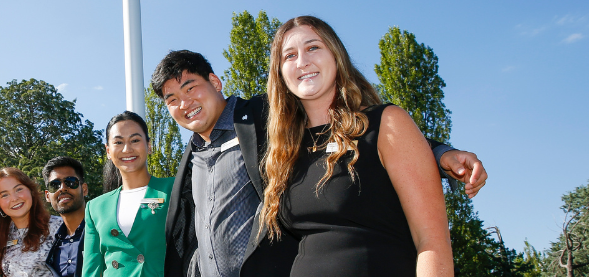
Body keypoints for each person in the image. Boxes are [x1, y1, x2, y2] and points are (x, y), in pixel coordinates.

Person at [150, 49, 488, 276]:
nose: (185, 103)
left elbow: (349, 127)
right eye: (172, 100)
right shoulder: (190, 160)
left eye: (190, 86)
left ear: (214, 82)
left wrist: (439, 152)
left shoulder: (265, 117)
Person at [261, 15, 453, 275]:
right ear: (280, 73)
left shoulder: (386, 123)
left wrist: (444, 154)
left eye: (313, 47)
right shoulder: (284, 151)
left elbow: (432, 241)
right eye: (289, 56)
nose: (302, 61)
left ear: (336, 55)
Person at [82, 111, 174, 276]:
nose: (127, 149)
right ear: (108, 151)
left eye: (135, 140)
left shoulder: (174, 188)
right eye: (118, 142)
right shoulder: (95, 207)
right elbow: (91, 269)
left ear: (149, 145)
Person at [0, 168, 63, 277]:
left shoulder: (59, 227)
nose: (14, 198)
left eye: (19, 189)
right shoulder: (0, 236)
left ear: (31, 191)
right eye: (4, 195)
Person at [42, 157, 89, 277]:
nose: (62, 188)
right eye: (55, 185)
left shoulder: (102, 231)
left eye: (70, 182)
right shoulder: (52, 244)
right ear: (48, 196)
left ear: (84, 189)